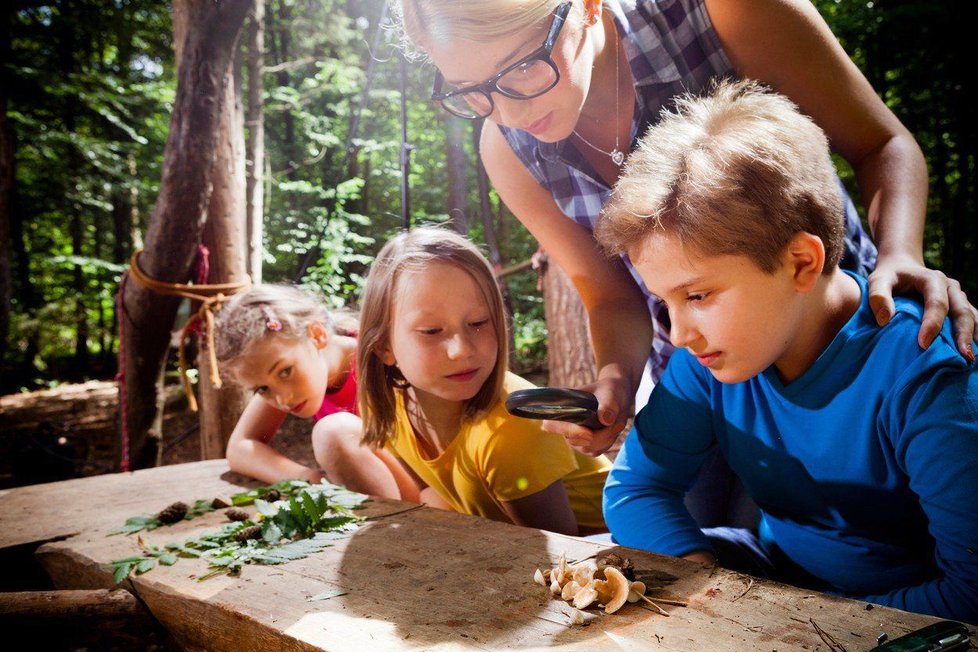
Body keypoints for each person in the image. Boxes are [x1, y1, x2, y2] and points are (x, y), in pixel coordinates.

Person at [391, 0, 978, 461]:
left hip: (842, 341)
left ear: (588, 5)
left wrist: (899, 253)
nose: (510, 111)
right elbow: (611, 295)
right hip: (706, 381)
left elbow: (882, 143)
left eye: (520, 70)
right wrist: (615, 381)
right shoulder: (507, 152)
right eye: (472, 92)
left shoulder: (721, 10)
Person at [597, 80, 978, 621]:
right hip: (778, 573)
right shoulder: (709, 359)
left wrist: (789, 622)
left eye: (698, 295)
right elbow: (636, 489)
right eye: (666, 302)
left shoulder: (922, 372)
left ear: (802, 262)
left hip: (908, 612)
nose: (678, 334)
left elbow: (969, 594)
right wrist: (707, 583)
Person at [354, 226, 611, 535]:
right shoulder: (392, 408)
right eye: (431, 331)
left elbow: (560, 552)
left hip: (615, 546)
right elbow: (435, 497)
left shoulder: (510, 428)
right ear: (383, 346)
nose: (462, 349)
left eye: (478, 323)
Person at [213, 285, 405, 498]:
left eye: (285, 372)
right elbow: (240, 448)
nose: (282, 399)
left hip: (430, 504)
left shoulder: (384, 358)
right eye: (262, 388)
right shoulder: (293, 366)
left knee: (333, 433)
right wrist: (311, 480)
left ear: (316, 335)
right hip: (385, 502)